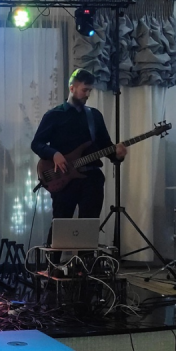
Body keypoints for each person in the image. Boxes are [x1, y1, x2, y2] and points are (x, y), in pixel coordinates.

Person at [31, 69, 127, 235]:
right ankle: (55, 253)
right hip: (63, 176)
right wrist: (54, 154)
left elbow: (105, 146)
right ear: (72, 88)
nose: (87, 94)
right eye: (84, 90)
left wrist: (117, 155)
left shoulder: (94, 116)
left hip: (92, 178)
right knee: (61, 226)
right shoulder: (54, 115)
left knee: (88, 228)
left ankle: (86, 253)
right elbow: (36, 143)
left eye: (90, 90)